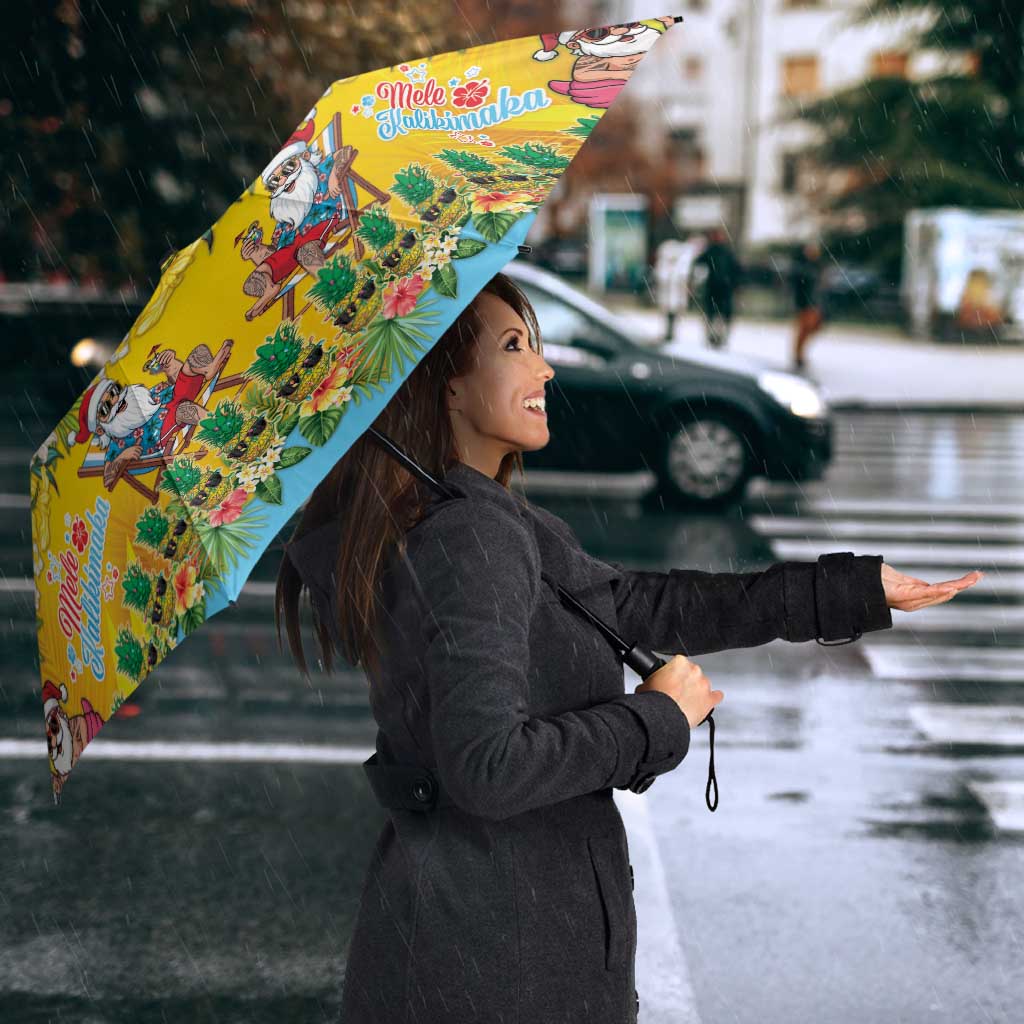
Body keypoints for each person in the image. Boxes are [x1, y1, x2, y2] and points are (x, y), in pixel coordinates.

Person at [276, 272, 981, 1024]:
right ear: (446, 384)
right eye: (514, 347)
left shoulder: (470, 519)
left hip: (475, 941)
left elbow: (640, 606)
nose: (545, 368)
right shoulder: (471, 536)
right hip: (498, 962)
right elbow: (488, 767)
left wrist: (849, 590)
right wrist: (655, 719)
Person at [692, 226, 742, 349]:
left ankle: (719, 337)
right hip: (716, 288)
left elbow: (736, 270)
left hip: (722, 289)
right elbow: (698, 263)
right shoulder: (714, 251)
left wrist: (735, 284)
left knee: (719, 315)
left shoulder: (724, 252)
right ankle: (713, 337)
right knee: (714, 314)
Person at [790, 240, 826, 370]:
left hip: (814, 303)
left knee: (813, 327)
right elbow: (799, 286)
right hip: (805, 303)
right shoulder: (802, 267)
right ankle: (798, 355)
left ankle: (799, 354)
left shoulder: (816, 266)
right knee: (804, 329)